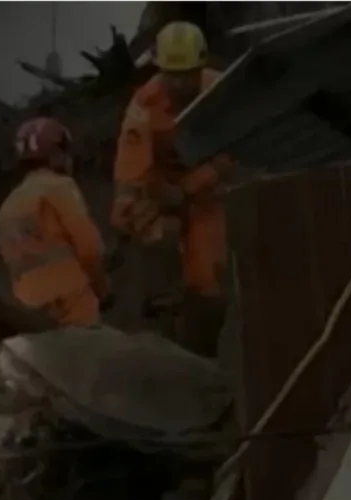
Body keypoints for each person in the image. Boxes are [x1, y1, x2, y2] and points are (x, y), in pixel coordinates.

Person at [111, 21, 233, 355]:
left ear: (201, 65)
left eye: (188, 73)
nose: (180, 83)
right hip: (162, 192)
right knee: (153, 241)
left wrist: (190, 188)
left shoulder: (222, 92)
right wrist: (132, 212)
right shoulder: (144, 105)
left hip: (207, 192)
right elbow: (130, 171)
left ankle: (204, 342)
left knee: (210, 277)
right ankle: (159, 323)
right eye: (172, 74)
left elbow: (233, 155)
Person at [0, 117, 107, 326]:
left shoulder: (6, 209)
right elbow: (91, 249)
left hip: (33, 316)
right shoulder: (59, 187)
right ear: (56, 154)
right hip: (74, 308)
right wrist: (102, 289)